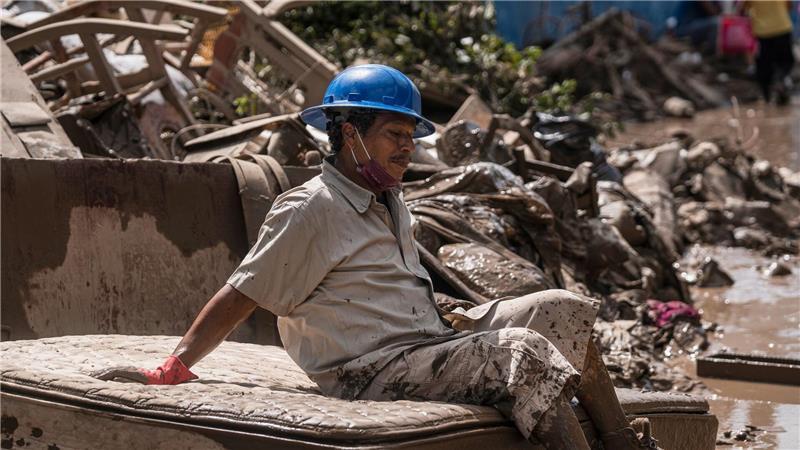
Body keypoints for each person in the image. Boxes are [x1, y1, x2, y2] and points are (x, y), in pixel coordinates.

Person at [94, 64, 653, 449]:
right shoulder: (310, 208)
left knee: (564, 308)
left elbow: (387, 286)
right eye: (393, 134)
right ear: (347, 134)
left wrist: (448, 318)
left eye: (411, 135)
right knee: (525, 351)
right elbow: (244, 291)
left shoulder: (388, 198)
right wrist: (176, 366)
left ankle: (622, 442)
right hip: (368, 371)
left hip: (421, 345)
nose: (408, 147)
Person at [739, 0, 795, 104]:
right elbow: (789, 6)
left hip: (762, 31)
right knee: (785, 62)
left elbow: (742, 9)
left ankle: (767, 97)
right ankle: (781, 80)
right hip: (782, 27)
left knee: (764, 66)